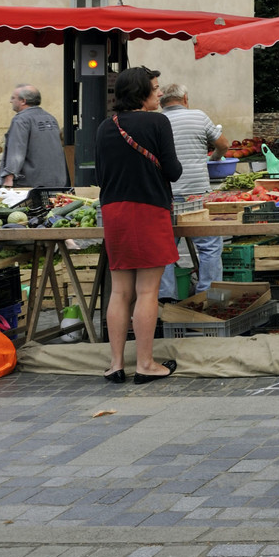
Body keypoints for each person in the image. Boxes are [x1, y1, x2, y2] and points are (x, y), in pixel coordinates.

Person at [95, 67, 182, 385]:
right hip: (148, 209)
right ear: (140, 93)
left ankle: (115, 364)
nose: (159, 93)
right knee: (147, 291)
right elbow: (173, 171)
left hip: (114, 212)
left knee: (119, 292)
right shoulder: (158, 122)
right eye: (155, 88)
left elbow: (99, 177)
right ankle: (145, 363)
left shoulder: (107, 125)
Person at [157, 83, 231, 298]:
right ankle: (207, 296)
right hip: (196, 192)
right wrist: (214, 159)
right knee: (208, 245)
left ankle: (167, 298)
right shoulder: (199, 117)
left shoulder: (158, 121)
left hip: (166, 193)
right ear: (185, 99)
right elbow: (223, 144)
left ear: (162, 101)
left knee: (166, 249)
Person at [0, 85, 68, 188]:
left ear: (23, 101)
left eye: (13, 98)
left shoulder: (21, 120)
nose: (11, 101)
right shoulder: (51, 118)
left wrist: (9, 177)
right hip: (56, 182)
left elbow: (16, 151)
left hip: (30, 184)